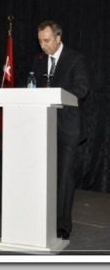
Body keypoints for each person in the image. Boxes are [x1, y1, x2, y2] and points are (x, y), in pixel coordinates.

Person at [32, 20, 89, 240]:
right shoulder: (38, 60)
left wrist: (55, 93)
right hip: (43, 126)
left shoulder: (75, 59)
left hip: (68, 128)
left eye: (46, 41)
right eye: (40, 41)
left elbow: (82, 89)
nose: (43, 45)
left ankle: (63, 224)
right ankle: (42, 218)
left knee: (65, 177)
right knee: (44, 176)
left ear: (58, 38)